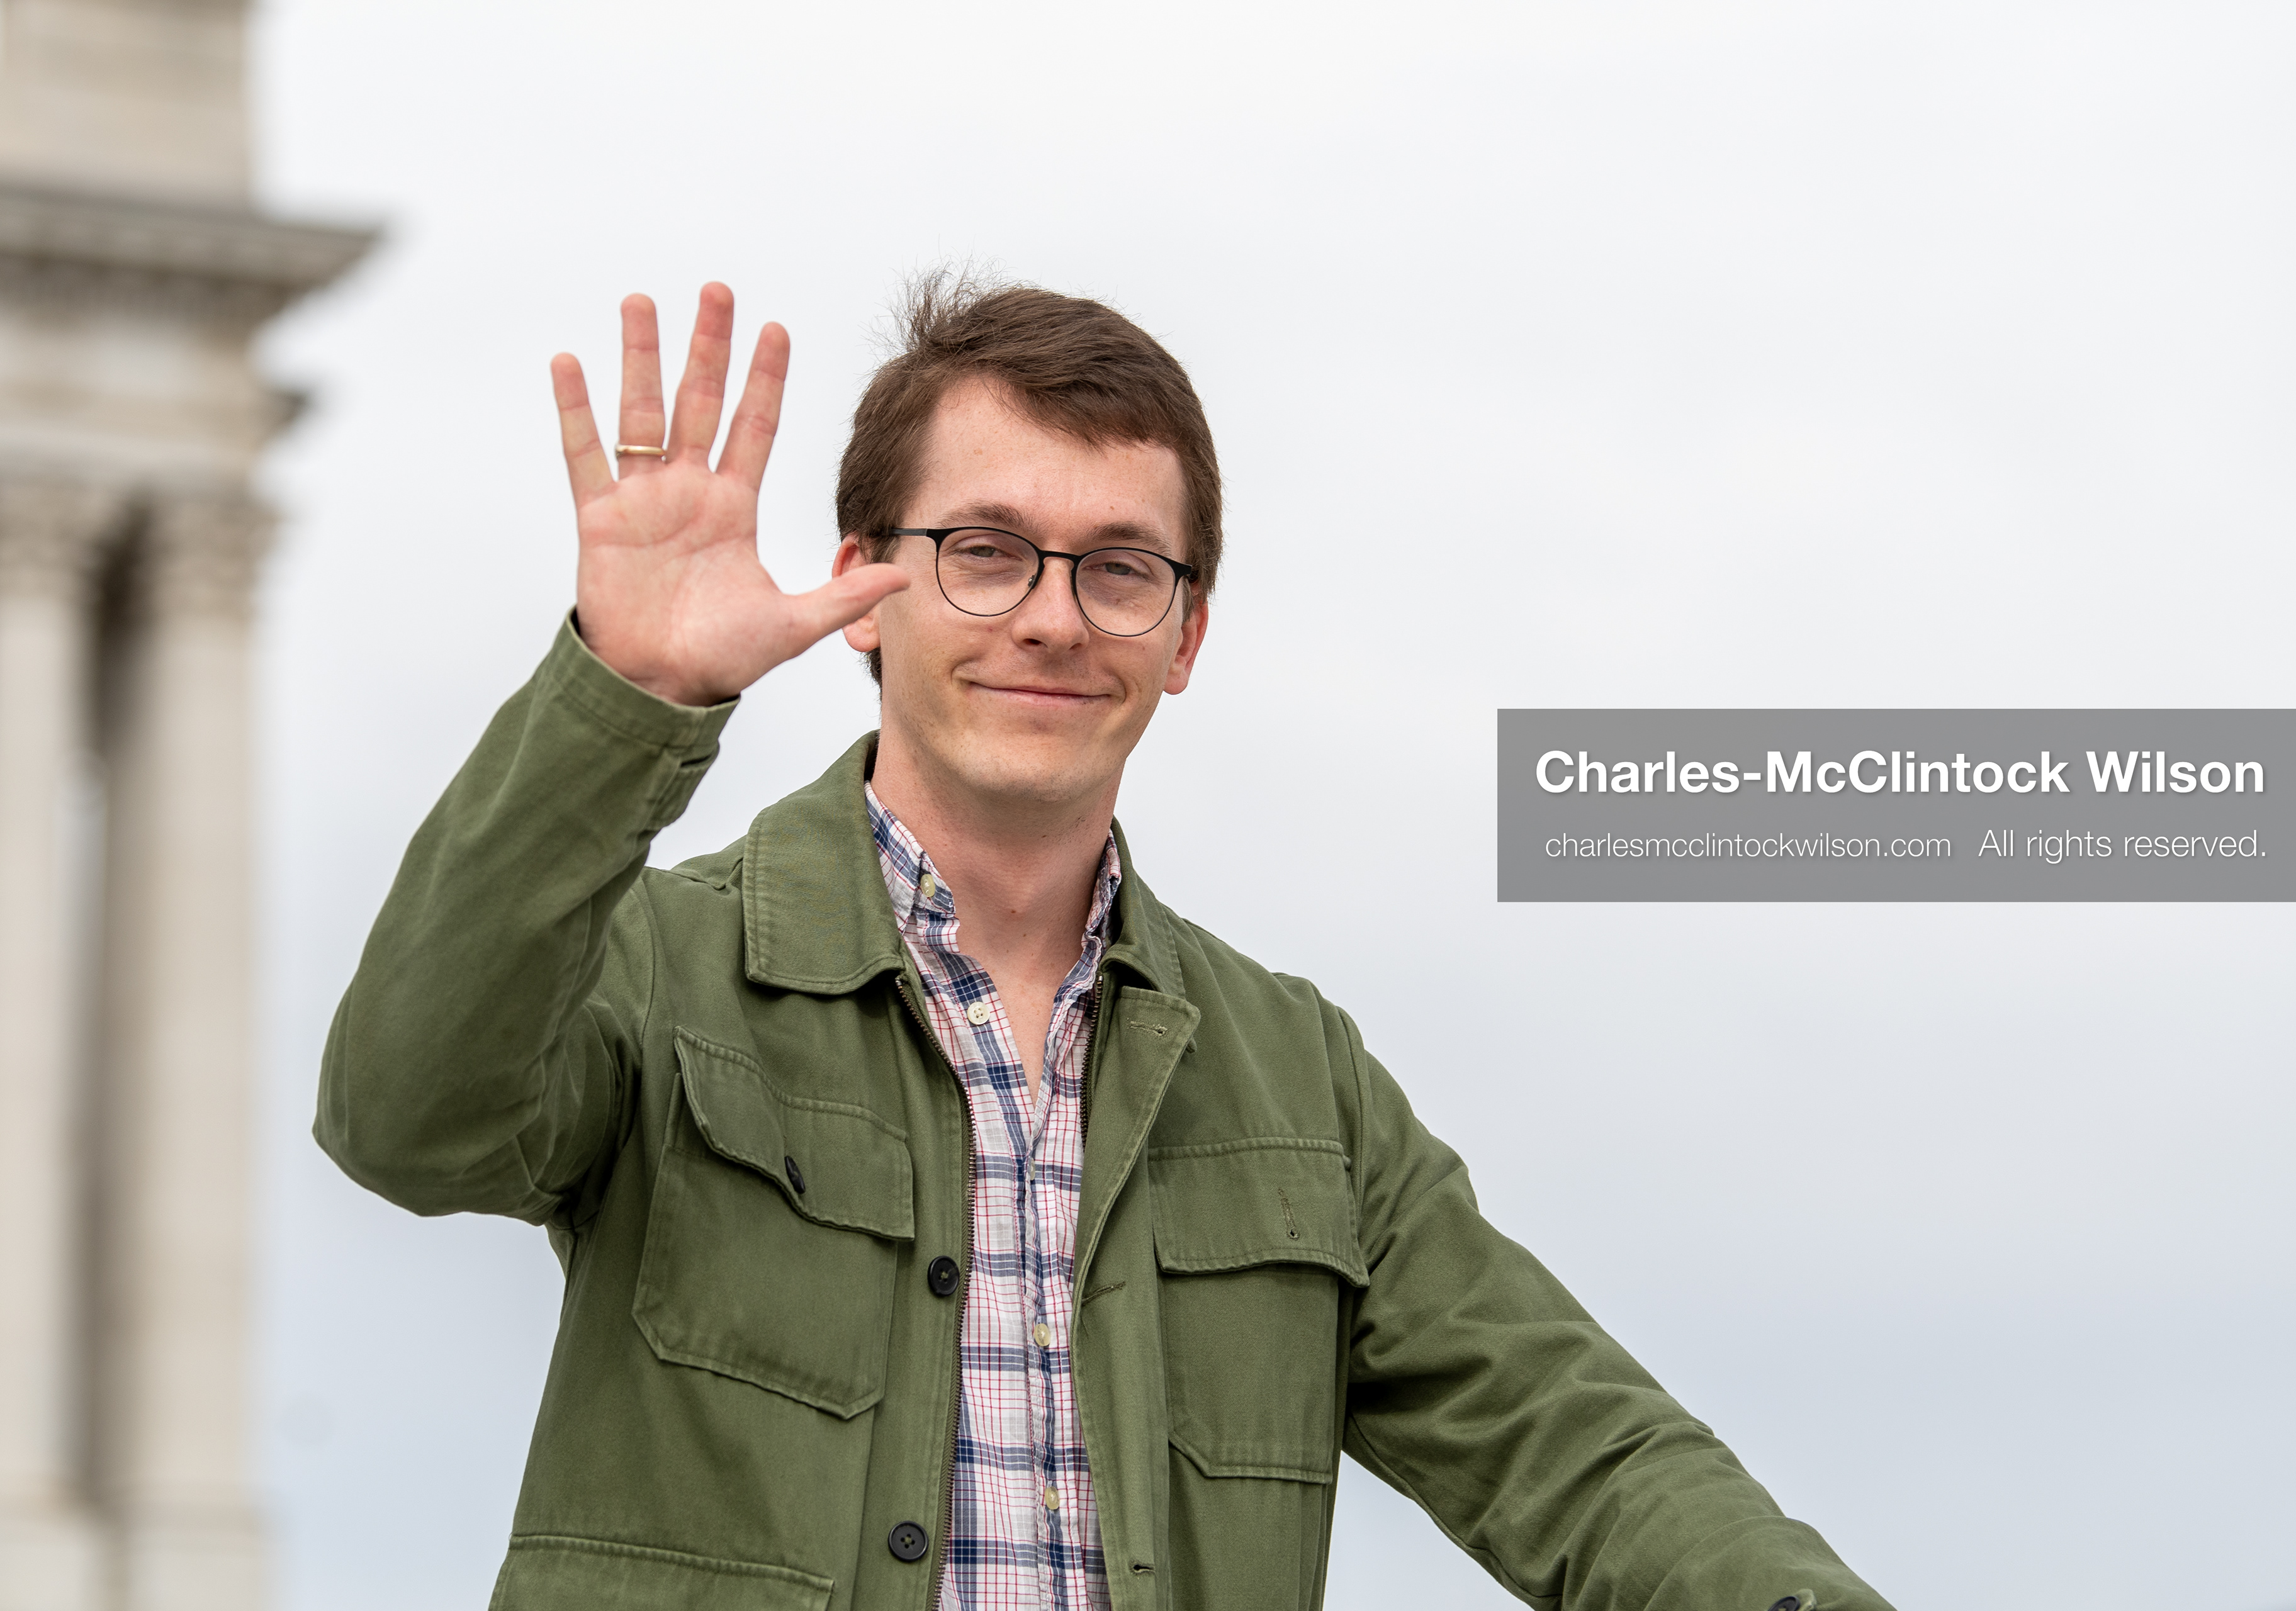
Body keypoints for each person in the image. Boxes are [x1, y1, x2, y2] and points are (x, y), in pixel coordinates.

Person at [317, 276, 1894, 1611]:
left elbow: (1588, 1456)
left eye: (1122, 567)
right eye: (986, 549)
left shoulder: (1305, 1087)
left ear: (1187, 634)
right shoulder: (663, 973)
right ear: (867, 589)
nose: (1056, 618)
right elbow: (404, 1113)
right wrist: (629, 696)